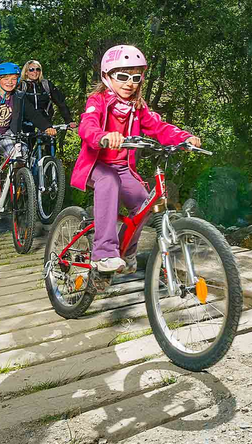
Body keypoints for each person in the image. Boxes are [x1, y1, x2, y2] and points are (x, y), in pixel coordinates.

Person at [70, 45, 201, 273]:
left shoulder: (137, 107)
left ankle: (126, 250)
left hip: (122, 168)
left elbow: (158, 127)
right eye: (122, 76)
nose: (129, 83)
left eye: (136, 77)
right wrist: (102, 136)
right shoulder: (98, 100)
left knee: (143, 204)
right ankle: (103, 253)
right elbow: (87, 125)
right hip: (96, 166)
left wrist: (185, 138)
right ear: (107, 76)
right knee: (108, 181)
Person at [0, 62, 57, 234]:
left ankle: (19, 188)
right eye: (5, 79)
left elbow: (34, 115)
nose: (10, 82)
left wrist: (46, 127)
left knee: (22, 155)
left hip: (7, 135)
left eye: (14, 79)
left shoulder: (20, 97)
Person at [19, 60, 73, 126]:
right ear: (26, 72)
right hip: (25, 123)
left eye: (38, 69)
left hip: (45, 122)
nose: (35, 72)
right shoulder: (21, 86)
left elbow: (60, 102)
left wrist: (69, 121)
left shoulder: (46, 84)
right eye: (31, 69)